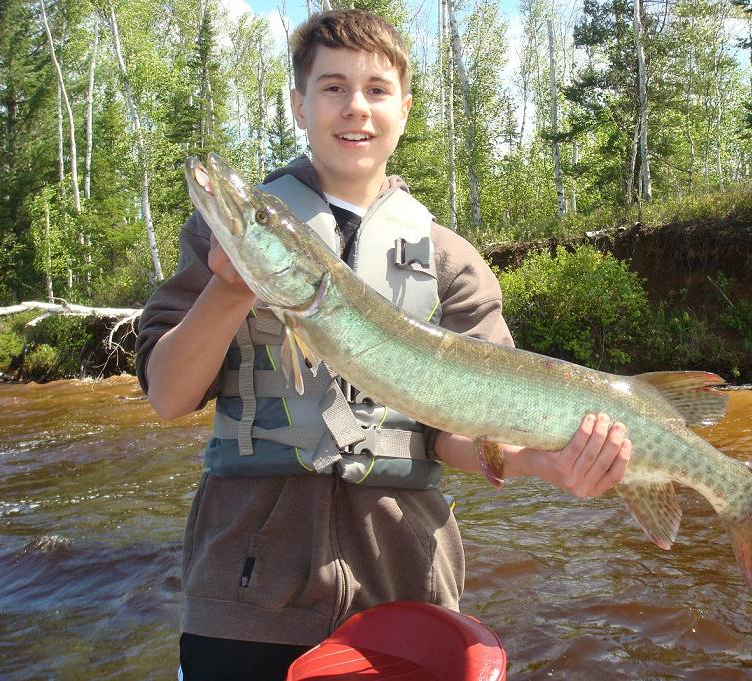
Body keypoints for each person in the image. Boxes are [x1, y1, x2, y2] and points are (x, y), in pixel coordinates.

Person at [135, 9, 631, 680]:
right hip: (244, 596)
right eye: (332, 87)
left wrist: (544, 463)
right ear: (299, 104)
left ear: (404, 109)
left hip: (404, 591)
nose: (355, 107)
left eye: (375, 89)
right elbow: (168, 397)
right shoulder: (215, 240)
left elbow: (455, 433)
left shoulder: (450, 261)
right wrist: (228, 289)